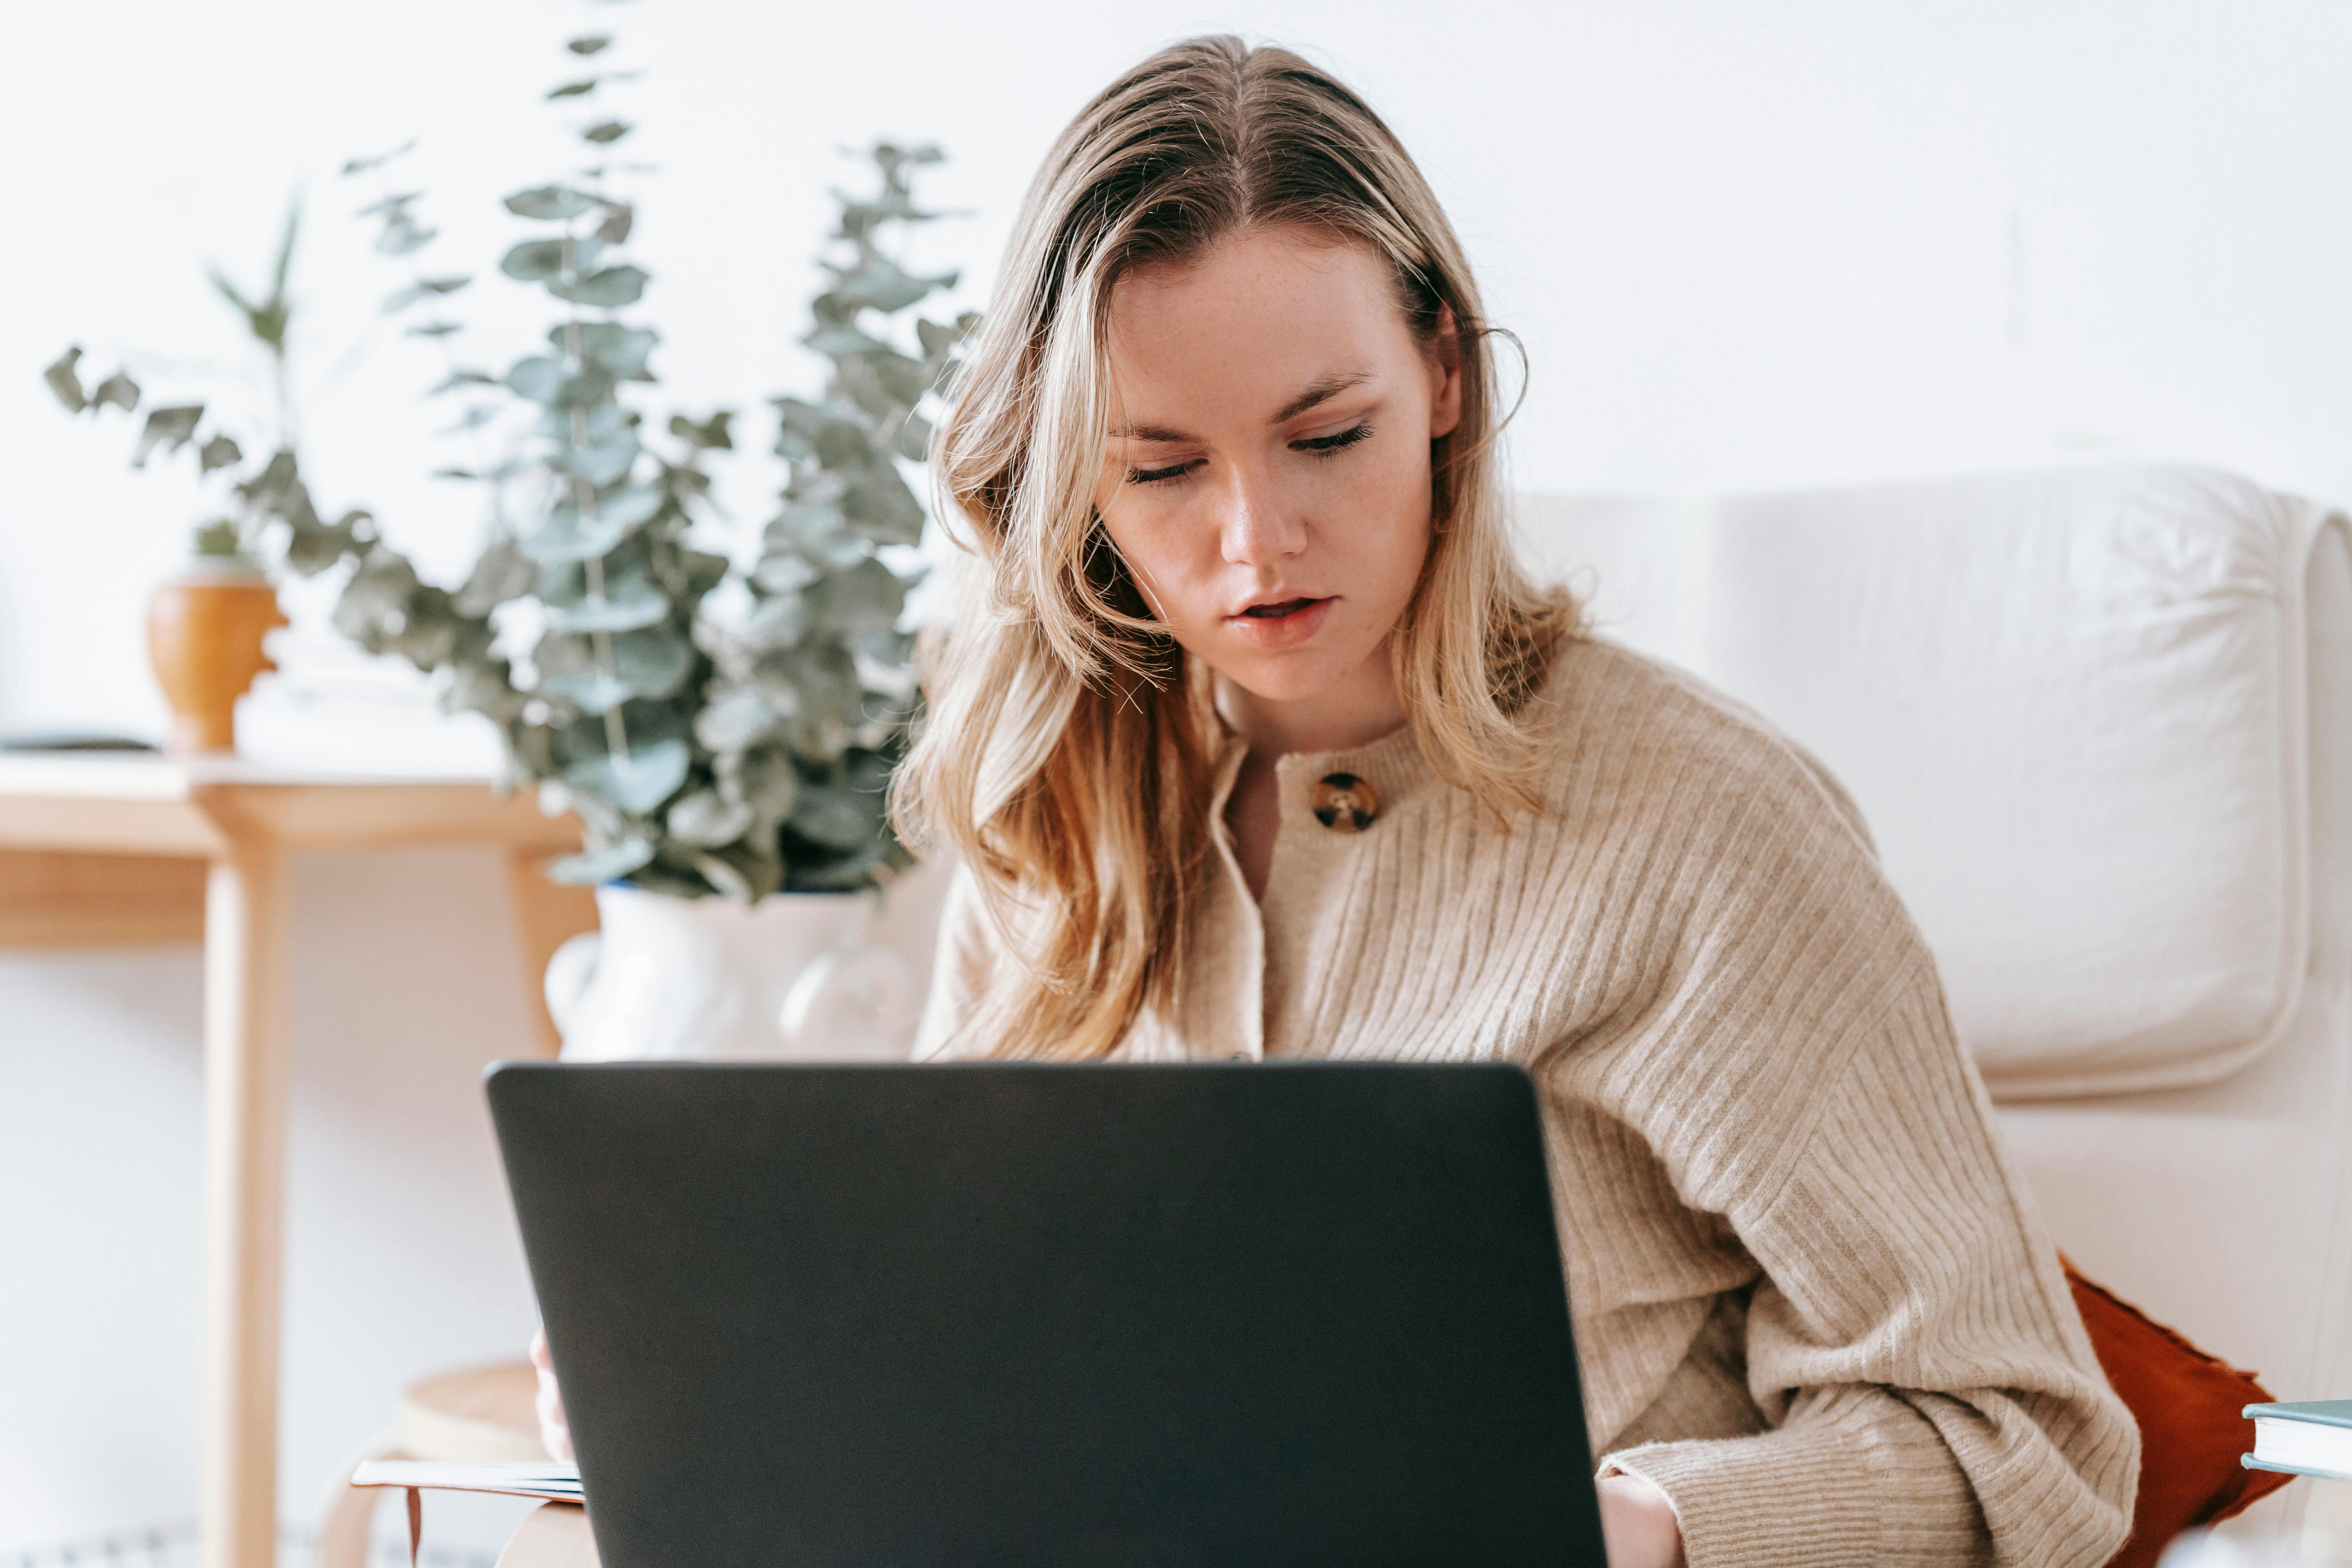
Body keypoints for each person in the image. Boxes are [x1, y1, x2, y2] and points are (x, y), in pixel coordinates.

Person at [539, 36, 2138, 1567]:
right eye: (1162, 467)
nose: (1257, 543)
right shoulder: (1055, 821)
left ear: (1443, 373)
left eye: (1326, 435)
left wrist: (1638, 1525)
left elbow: (2029, 1448)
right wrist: (688, 1380)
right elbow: (971, 1350)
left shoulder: (1707, 833)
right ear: (1070, 473)